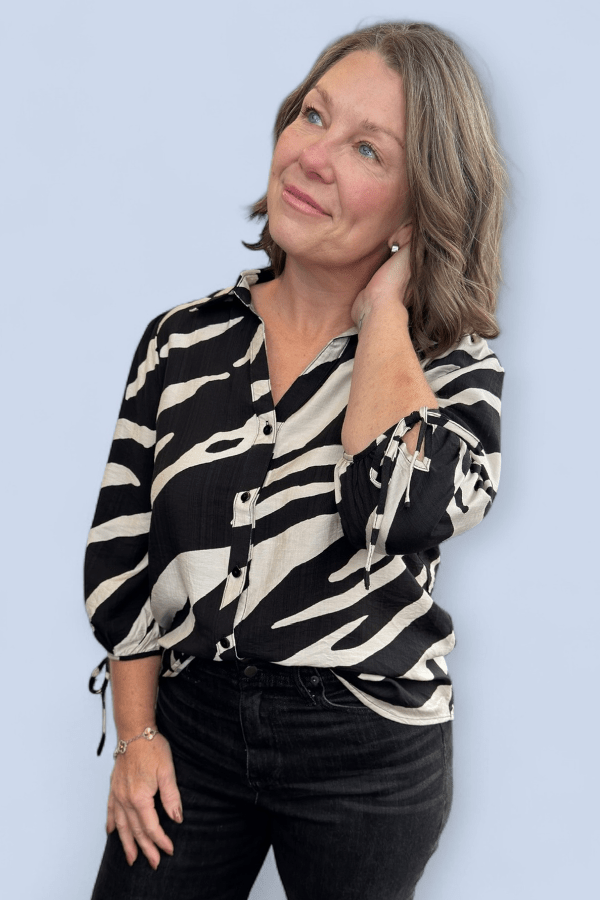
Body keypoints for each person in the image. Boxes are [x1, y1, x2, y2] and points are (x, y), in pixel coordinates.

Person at [85, 20, 505, 900]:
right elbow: (125, 561)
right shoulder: (181, 342)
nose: (312, 157)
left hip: (368, 749)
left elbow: (401, 512)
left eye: (366, 148)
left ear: (419, 205)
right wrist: (136, 738)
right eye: (312, 117)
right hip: (192, 725)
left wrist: (385, 318)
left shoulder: (452, 369)